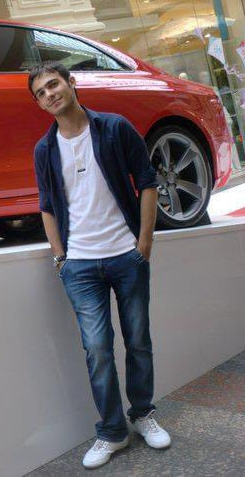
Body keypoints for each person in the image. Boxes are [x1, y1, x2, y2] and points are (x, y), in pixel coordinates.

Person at [30, 62, 171, 469]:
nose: (49, 94)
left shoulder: (113, 127)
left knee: (138, 339)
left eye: (53, 84)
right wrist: (61, 257)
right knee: (97, 349)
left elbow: (147, 181)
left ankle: (142, 414)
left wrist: (144, 242)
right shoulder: (45, 149)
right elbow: (47, 206)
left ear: (71, 83)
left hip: (126, 254)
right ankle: (111, 431)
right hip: (80, 264)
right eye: (40, 93)